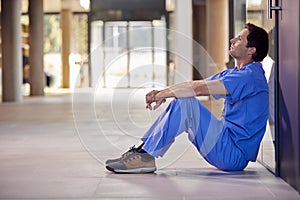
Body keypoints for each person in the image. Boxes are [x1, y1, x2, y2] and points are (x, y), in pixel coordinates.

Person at [105, 23, 269, 174]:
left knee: (186, 104)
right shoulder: (235, 73)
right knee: (182, 101)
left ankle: (145, 156)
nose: (232, 40)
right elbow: (196, 85)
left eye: (240, 39)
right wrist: (163, 92)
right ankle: (143, 152)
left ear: (251, 50)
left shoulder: (250, 76)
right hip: (225, 142)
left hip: (233, 154)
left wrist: (164, 94)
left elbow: (199, 89)